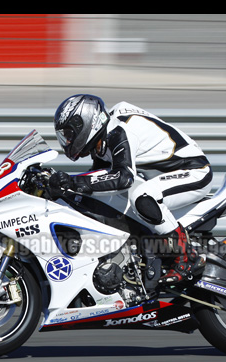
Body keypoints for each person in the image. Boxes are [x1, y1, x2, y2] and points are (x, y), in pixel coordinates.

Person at [50, 94, 213, 284]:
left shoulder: (118, 131)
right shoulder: (102, 140)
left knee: (143, 196)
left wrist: (74, 183)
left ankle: (187, 257)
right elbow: (97, 176)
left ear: (86, 122)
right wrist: (65, 186)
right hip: (165, 175)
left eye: (70, 134)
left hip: (193, 171)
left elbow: (123, 178)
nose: (68, 141)